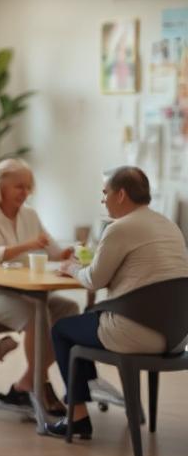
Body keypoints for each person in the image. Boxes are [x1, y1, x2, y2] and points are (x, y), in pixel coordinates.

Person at [47, 166, 188, 439]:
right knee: (87, 318)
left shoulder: (119, 228)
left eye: (105, 193)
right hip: (175, 336)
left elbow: (94, 280)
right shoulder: (169, 226)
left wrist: (69, 268)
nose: (103, 200)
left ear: (121, 194)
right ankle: (88, 393)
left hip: (134, 333)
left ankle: (77, 417)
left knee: (62, 330)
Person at [0, 158, 78, 416]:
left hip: (21, 293)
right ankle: (39, 386)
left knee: (69, 309)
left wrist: (72, 253)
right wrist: (29, 245)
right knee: (36, 314)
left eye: (28, 187)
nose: (24, 193)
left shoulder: (29, 215)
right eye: (18, 187)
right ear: (0, 186)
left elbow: (54, 251)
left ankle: (26, 384)